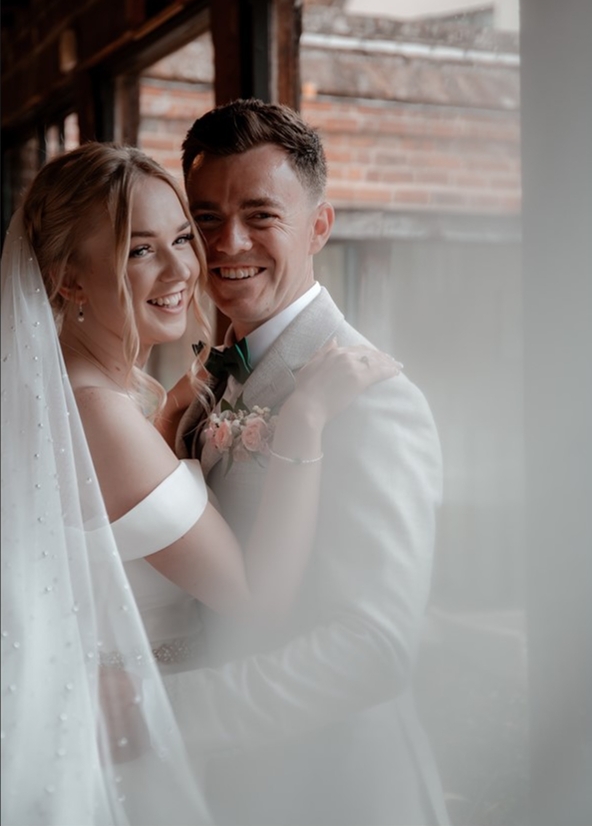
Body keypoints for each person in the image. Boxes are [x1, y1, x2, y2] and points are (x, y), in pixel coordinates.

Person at [0, 142, 397, 826]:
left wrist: (162, 425)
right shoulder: (94, 411)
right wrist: (303, 422)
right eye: (138, 249)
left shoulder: (79, 397)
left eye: (181, 236)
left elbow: (105, 539)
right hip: (134, 754)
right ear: (67, 280)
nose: (184, 266)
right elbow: (258, 600)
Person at [171, 99, 450, 826]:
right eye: (205, 219)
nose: (228, 243)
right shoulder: (211, 374)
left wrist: (157, 710)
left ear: (318, 227)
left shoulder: (374, 399)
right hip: (226, 788)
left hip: (336, 791)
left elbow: (374, 648)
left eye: (261, 215)